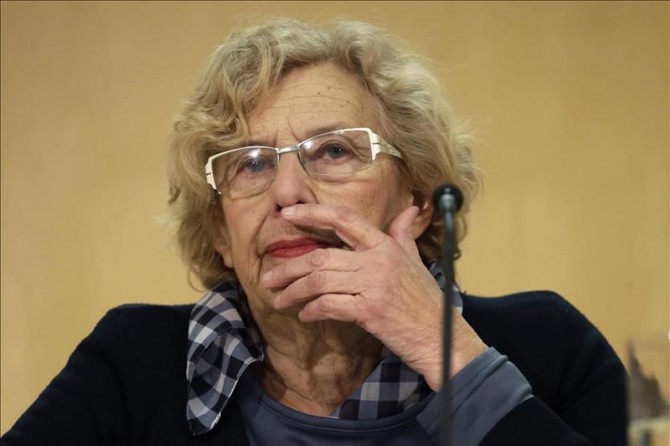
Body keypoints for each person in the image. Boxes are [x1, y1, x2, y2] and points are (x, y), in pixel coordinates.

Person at [2, 18, 626, 445]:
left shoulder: (548, 347)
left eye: (332, 151)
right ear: (220, 231)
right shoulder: (135, 366)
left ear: (418, 198)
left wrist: (448, 353)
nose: (287, 192)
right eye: (250, 164)